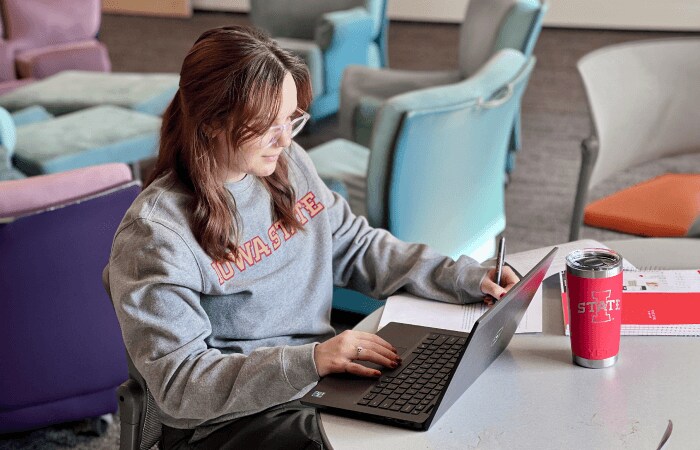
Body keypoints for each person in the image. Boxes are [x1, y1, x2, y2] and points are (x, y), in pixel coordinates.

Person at [103, 25, 519, 449]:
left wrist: (460, 277)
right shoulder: (156, 235)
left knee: (450, 394)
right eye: (268, 125)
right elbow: (181, 384)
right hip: (227, 423)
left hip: (315, 381)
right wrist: (312, 360)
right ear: (211, 121)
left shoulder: (286, 164)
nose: (284, 140)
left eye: (291, 120)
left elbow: (356, 246)